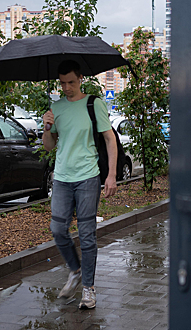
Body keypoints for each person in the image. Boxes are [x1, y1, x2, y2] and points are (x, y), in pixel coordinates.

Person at [42, 60, 117, 309]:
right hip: (62, 177)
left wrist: (112, 175)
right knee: (57, 229)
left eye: (71, 82)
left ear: (80, 79)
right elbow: (49, 146)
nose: (67, 87)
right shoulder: (56, 108)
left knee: (87, 236)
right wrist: (47, 127)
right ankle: (75, 270)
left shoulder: (94, 104)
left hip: (87, 177)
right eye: (62, 83)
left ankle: (88, 289)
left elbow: (109, 139)